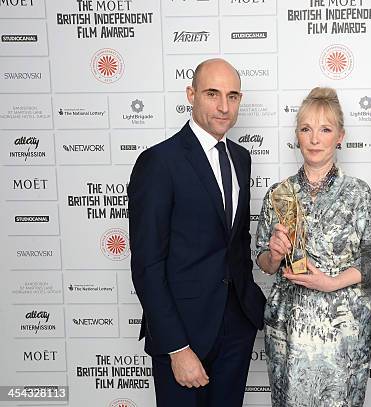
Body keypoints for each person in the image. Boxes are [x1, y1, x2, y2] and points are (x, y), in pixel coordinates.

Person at [128, 58, 266, 407]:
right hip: (184, 333)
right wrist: (177, 348)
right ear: (191, 94)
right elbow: (147, 264)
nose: (224, 106)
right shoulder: (159, 162)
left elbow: (235, 242)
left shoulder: (241, 157)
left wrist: (248, 310)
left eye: (233, 96)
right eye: (212, 93)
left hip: (236, 327)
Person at [255, 87, 371, 406]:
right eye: (306, 129)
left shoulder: (359, 194)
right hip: (288, 328)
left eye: (325, 129)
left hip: (342, 331)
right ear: (297, 136)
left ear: (340, 136)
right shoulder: (279, 194)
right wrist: (272, 254)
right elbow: (263, 262)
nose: (314, 139)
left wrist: (332, 283)